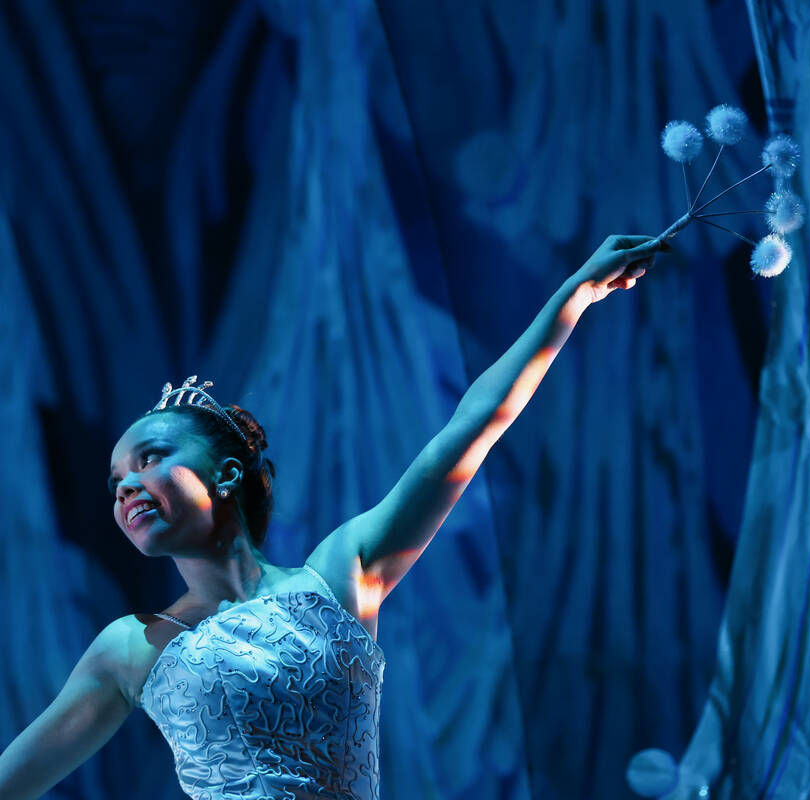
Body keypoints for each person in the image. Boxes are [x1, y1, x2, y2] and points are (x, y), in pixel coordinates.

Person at [0, 235, 664, 800]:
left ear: (226, 474)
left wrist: (575, 294)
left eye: (149, 459)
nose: (126, 487)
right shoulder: (128, 647)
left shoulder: (339, 576)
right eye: (116, 481)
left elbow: (470, 430)